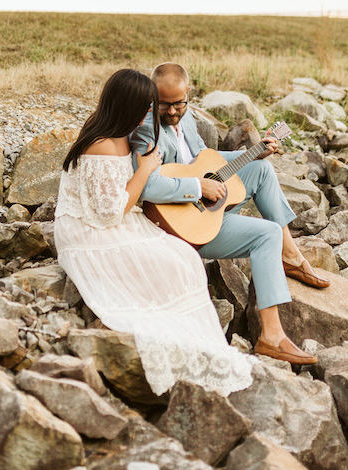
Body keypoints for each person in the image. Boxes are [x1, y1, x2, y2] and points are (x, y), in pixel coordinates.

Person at [54, 68, 256, 396]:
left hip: (113, 217)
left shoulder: (122, 134)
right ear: (127, 107)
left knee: (183, 257)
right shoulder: (101, 144)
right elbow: (109, 212)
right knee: (168, 263)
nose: (152, 114)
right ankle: (170, 343)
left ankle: (195, 342)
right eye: (147, 107)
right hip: (88, 230)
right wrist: (146, 169)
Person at [129, 61, 327, 367]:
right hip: (180, 225)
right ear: (153, 96)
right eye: (163, 104)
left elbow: (207, 160)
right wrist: (198, 188)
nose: (171, 112)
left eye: (178, 103)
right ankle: (271, 338)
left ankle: (290, 255)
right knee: (266, 235)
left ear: (189, 94)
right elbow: (147, 185)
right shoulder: (148, 127)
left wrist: (254, 151)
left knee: (260, 168)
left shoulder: (188, 117)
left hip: (198, 202)